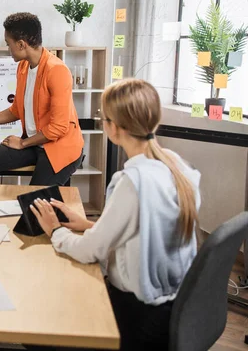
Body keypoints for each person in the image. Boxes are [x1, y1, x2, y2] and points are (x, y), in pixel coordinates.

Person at [29, 79, 201, 350]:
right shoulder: (177, 165)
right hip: (171, 306)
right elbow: (148, 228)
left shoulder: (131, 181)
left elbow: (90, 252)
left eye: (102, 118)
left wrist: (56, 230)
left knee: (38, 331)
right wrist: (88, 224)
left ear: (114, 128)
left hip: (135, 316)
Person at [0, 12, 84, 185]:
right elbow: (16, 110)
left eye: (9, 44)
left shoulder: (57, 71)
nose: (8, 49)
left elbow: (58, 128)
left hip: (59, 147)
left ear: (22, 45)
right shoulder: (23, 66)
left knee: (33, 204)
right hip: (34, 143)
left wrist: (22, 143)